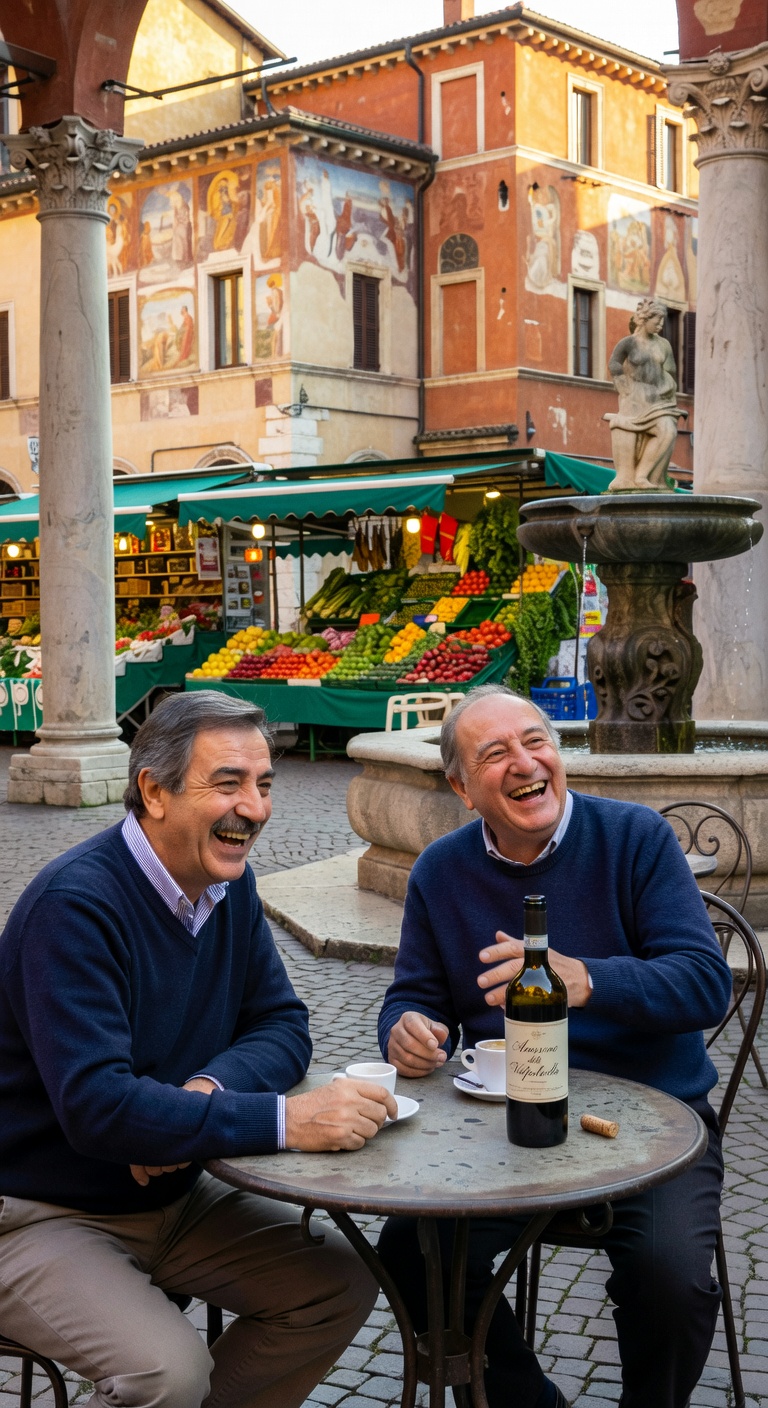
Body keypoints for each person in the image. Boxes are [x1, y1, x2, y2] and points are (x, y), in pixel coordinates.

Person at [0, 691, 395, 1408]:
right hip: (38, 1211)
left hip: (174, 1194)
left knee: (340, 1285)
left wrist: (205, 1094)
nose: (255, 807)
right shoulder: (74, 906)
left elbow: (283, 1024)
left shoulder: (226, 887)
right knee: (168, 1374)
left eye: (264, 784)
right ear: (154, 791)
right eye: (228, 783)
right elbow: (99, 1109)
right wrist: (284, 1121)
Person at [377, 683, 732, 1408]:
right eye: (495, 753)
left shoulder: (634, 838)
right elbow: (413, 994)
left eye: (535, 741)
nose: (524, 762)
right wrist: (406, 1029)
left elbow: (705, 984)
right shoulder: (441, 870)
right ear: (462, 788)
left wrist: (589, 979)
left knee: (670, 1279)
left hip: (651, 1125)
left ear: (557, 752)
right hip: (505, 1127)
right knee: (411, 1250)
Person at [604, 297, 687, 491]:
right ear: (644, 319)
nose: (661, 325)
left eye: (662, 320)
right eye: (657, 320)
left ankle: (642, 475)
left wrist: (668, 385)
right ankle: (629, 478)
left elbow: (671, 370)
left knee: (668, 431)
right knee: (626, 426)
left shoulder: (664, 345)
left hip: (658, 397)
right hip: (634, 397)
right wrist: (623, 384)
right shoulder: (629, 343)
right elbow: (614, 363)